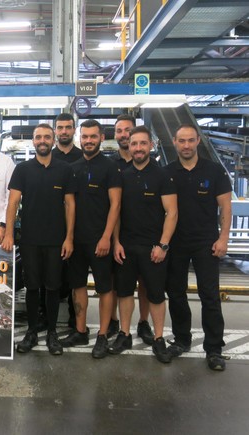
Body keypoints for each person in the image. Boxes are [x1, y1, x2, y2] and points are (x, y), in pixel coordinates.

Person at [2, 123, 76, 355]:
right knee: (32, 287)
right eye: (38, 137)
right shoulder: (23, 169)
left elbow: (70, 205)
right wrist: (9, 234)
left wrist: (69, 238)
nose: (42, 141)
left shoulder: (64, 169)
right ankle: (32, 332)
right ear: (33, 141)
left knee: (53, 287)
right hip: (30, 240)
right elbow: (13, 203)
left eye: (46, 137)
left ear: (53, 140)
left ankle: (52, 332)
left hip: (56, 240)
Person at [165, 124, 232, 371]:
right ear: (174, 142)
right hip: (176, 242)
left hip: (206, 242)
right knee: (176, 293)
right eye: (181, 141)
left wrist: (223, 238)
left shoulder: (214, 171)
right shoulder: (167, 172)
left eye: (190, 140)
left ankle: (214, 349)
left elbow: (225, 207)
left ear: (197, 142)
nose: (186, 145)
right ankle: (182, 339)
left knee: (210, 295)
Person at [110, 125, 177, 363]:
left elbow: (172, 212)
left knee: (156, 295)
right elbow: (116, 211)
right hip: (126, 247)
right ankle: (124, 334)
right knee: (125, 292)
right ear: (129, 146)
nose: (138, 148)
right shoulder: (122, 175)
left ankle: (158, 339)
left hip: (153, 248)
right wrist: (116, 242)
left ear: (151, 145)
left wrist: (163, 245)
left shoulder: (162, 175)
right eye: (134, 143)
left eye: (142, 143)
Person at [61, 120, 121, 359]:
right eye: (84, 136)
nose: (88, 141)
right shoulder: (72, 168)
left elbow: (116, 205)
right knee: (77, 286)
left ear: (101, 137)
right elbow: (68, 205)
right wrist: (69, 238)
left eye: (93, 136)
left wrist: (107, 237)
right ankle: (80, 331)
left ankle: (103, 335)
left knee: (105, 288)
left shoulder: (110, 167)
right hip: (77, 241)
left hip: (100, 241)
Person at [109, 114, 154, 344]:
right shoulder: (110, 165)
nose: (124, 135)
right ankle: (114, 321)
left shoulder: (151, 165)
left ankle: (144, 322)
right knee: (117, 283)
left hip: (146, 236)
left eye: (128, 130)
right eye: (119, 131)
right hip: (120, 235)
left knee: (145, 283)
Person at [51, 112, 82, 330]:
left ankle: (74, 318)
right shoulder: (47, 156)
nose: (64, 131)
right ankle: (46, 316)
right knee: (49, 275)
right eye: (60, 127)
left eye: (68, 127)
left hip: (77, 227)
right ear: (55, 131)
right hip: (51, 226)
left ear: (74, 130)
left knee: (75, 275)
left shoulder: (83, 157)